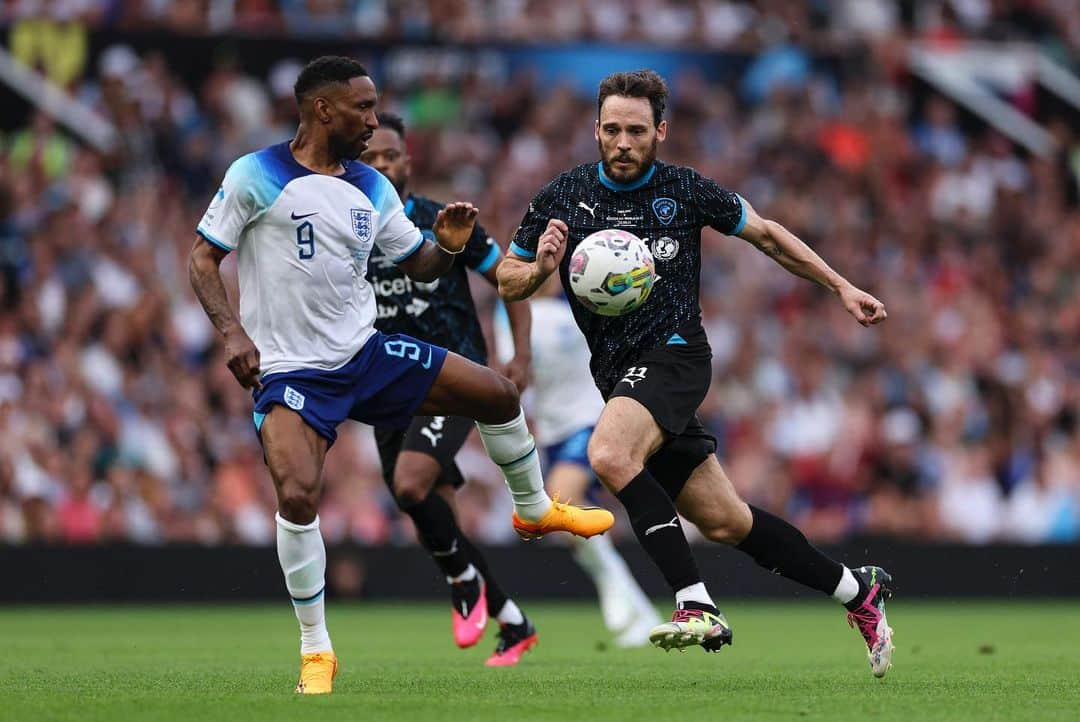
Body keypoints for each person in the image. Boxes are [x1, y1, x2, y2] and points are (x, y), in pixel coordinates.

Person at [187, 56, 614, 695]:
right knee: (299, 496)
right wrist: (230, 332)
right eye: (362, 108)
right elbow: (202, 258)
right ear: (321, 109)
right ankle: (317, 652)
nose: (372, 120)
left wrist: (444, 243)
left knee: (498, 394)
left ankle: (534, 510)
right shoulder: (256, 174)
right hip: (291, 372)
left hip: (366, 354)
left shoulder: (371, 187)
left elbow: (416, 265)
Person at [497, 69, 895, 677]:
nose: (623, 142)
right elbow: (508, 279)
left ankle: (695, 604)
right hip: (618, 375)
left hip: (676, 356)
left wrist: (840, 285)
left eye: (635, 130)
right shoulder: (563, 196)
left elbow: (767, 236)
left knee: (608, 452)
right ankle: (855, 590)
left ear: (660, 130)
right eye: (611, 130)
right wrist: (542, 266)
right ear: (595, 130)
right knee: (725, 519)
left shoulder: (683, 190)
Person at [359, 112, 538, 666]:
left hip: (452, 377)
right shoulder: (349, 228)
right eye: (370, 158)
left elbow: (509, 279)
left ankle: (464, 584)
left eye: (391, 154)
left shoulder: (442, 220)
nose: (383, 165)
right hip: (385, 385)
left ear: (408, 160)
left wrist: (519, 352)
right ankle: (513, 621)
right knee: (433, 522)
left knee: (411, 487)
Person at [494, 273, 662, 647]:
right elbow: (516, 373)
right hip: (553, 431)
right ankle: (635, 606)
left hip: (591, 420)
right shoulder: (512, 313)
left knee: (560, 499)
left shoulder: (584, 304)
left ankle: (615, 592)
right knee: (572, 528)